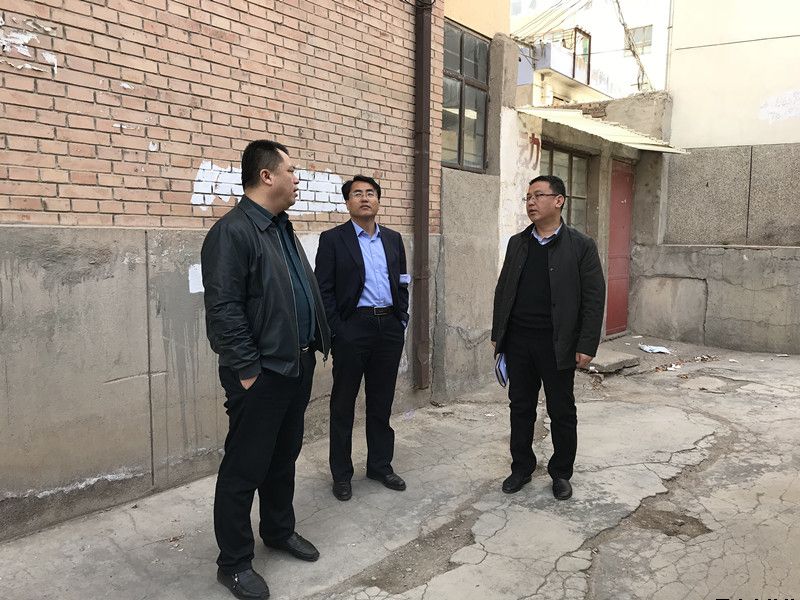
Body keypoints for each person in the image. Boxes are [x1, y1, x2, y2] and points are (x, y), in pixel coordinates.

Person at [201, 140, 331, 600]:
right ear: (266, 176)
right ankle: (234, 563)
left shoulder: (280, 227)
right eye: (291, 171)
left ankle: (277, 530)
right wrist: (248, 370)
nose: (297, 179)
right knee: (244, 468)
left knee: (283, 457)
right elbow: (223, 310)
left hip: (295, 364)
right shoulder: (232, 232)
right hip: (262, 373)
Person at [491, 174, 605, 500]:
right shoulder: (518, 243)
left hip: (558, 344)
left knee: (561, 410)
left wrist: (586, 344)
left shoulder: (581, 246)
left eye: (538, 195)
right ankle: (521, 468)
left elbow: (594, 298)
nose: (531, 202)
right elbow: (503, 289)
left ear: (558, 201)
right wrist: (499, 334)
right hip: (519, 342)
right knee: (521, 407)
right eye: (528, 197)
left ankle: (561, 473)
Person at [315, 175, 410, 502]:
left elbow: (402, 282)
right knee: (343, 404)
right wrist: (338, 330)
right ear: (348, 203)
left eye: (370, 193)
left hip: (389, 328)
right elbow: (323, 290)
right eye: (357, 194)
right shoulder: (333, 239)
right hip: (352, 328)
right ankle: (342, 474)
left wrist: (402, 318)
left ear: (378, 200)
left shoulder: (393, 239)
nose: (365, 198)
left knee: (381, 402)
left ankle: (380, 466)